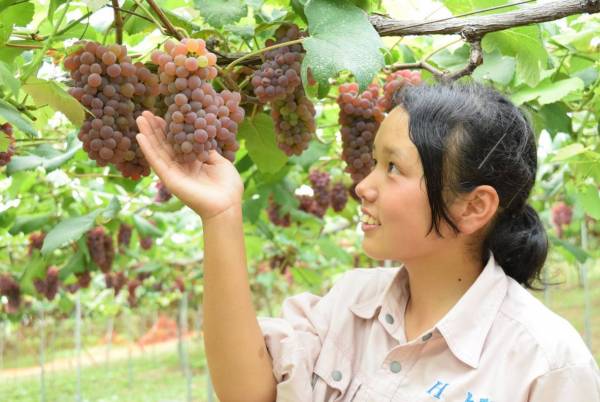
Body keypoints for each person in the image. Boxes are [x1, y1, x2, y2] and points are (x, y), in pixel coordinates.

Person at [135, 82, 600, 402]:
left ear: (474, 207)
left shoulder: (546, 361)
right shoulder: (350, 303)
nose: (363, 185)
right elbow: (248, 391)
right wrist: (221, 215)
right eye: (373, 161)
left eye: (393, 167)